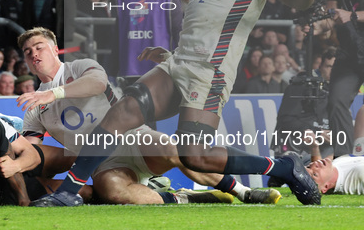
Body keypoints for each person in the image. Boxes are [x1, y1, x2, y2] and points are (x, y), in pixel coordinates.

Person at [28, 0, 323, 207]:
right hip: (177, 63)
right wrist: (168, 53)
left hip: (209, 73)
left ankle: (285, 167)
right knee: (122, 111)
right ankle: (66, 193)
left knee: (194, 156)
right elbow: (203, 27)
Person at [17, 27, 280, 205]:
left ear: (54, 49)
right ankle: (184, 198)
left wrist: (53, 94)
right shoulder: (34, 105)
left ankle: (244, 192)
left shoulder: (81, 66)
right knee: (113, 192)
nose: (34, 54)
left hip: (132, 138)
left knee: (174, 150)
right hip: (98, 163)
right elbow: (33, 148)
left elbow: (97, 84)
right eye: (28, 52)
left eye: (39, 47)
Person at [318, 0, 364, 158]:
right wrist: (321, 24)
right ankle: (344, 160)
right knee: (336, 101)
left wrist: (353, 16)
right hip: (349, 52)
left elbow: (348, 14)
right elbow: (333, 9)